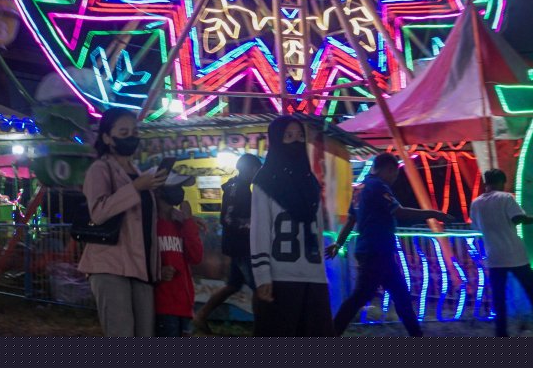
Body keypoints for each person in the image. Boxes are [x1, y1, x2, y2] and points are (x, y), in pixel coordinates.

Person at [328, 152, 454, 336]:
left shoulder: (361, 188)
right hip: (376, 251)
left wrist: (338, 244)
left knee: (398, 295)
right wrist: (434, 213)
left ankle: (416, 334)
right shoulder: (378, 186)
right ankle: (331, 331)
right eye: (395, 174)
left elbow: (350, 220)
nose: (395, 179)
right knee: (362, 297)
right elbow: (400, 212)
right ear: (389, 169)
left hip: (374, 250)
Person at [76, 107, 167, 337]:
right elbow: (98, 212)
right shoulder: (100, 168)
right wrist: (136, 188)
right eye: (124, 132)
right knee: (121, 333)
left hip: (141, 264)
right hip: (110, 264)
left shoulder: (138, 172)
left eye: (135, 132)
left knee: (145, 333)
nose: (131, 137)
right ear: (107, 137)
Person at [250, 116, 333, 336]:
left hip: (314, 276)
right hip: (281, 277)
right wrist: (262, 276)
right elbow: (259, 230)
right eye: (288, 136)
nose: (295, 141)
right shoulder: (265, 181)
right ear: (277, 140)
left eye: (299, 135)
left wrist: (322, 273)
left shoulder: (311, 182)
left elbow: (318, 229)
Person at [469, 168, 533, 337]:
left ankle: (501, 333)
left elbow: (476, 227)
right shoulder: (505, 198)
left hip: (493, 257)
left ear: (486, 183)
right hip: (515, 256)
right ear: (502, 182)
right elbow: (519, 219)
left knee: (499, 299)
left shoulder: (476, 203)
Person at [194, 153, 262, 334]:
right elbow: (227, 218)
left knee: (233, 285)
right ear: (248, 169)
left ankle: (201, 314)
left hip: (238, 245)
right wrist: (252, 225)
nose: (257, 173)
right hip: (240, 246)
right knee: (258, 286)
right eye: (256, 169)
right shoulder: (237, 189)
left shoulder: (240, 187)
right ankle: (260, 329)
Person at [153, 174, 204, 336]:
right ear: (158, 192)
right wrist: (158, 272)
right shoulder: (148, 226)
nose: (179, 192)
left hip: (184, 303)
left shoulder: (182, 223)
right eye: (174, 188)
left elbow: (196, 257)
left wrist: (188, 220)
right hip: (162, 304)